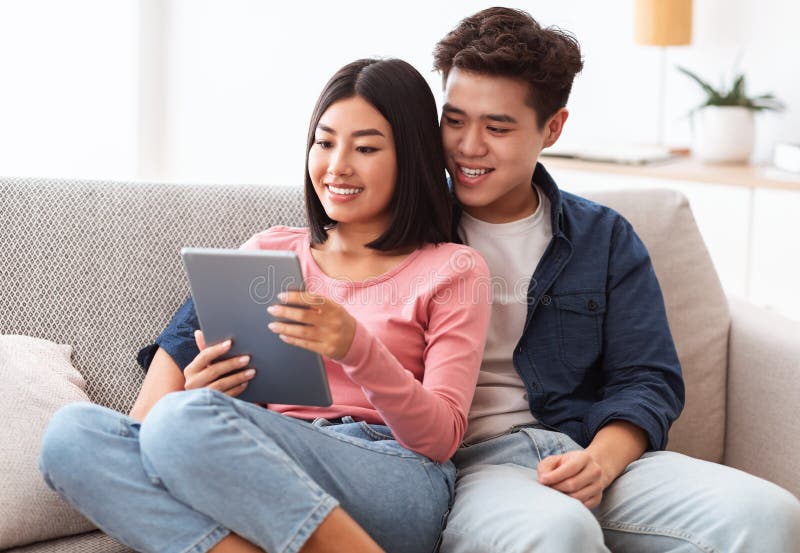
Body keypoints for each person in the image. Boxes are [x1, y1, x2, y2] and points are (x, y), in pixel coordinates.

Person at [38, 58, 491, 553]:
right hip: (265, 467)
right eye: (324, 142)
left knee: (180, 421)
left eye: (365, 147)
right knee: (71, 435)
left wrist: (357, 348)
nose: (338, 164)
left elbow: (441, 438)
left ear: (411, 157)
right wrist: (208, 391)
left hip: (395, 474)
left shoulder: (454, 269)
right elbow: (210, 423)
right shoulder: (269, 253)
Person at [430, 7, 800, 553]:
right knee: (560, 531)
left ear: (552, 128)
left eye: (497, 127)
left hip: (587, 448)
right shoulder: (408, 228)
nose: (467, 146)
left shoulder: (603, 239)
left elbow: (647, 379)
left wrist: (598, 464)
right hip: (475, 469)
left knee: (767, 514)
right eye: (455, 120)